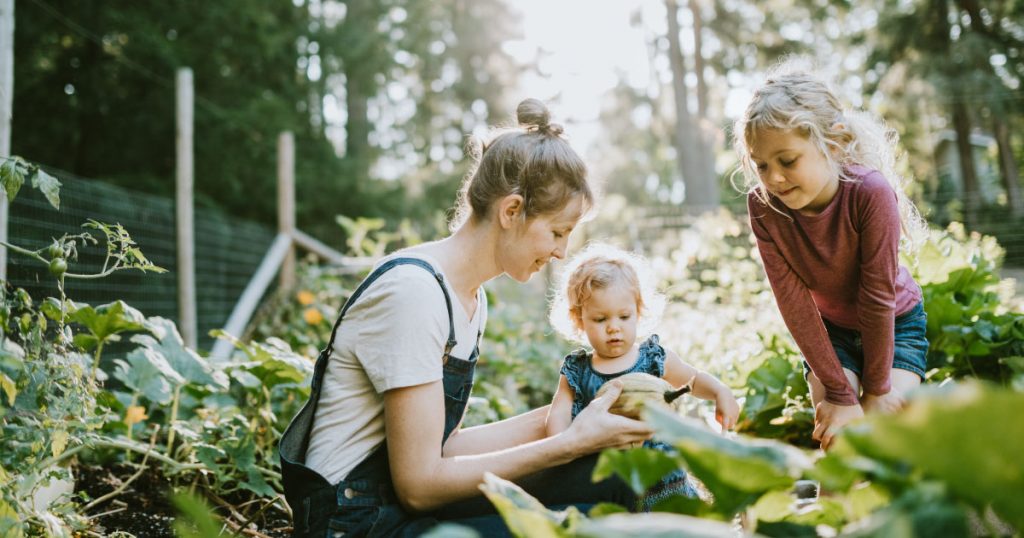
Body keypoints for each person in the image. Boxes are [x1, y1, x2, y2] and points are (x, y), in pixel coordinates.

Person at [278, 98, 655, 538]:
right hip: (357, 524)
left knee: (618, 479)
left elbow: (445, 447)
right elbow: (419, 485)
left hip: (397, 505)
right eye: (557, 231)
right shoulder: (414, 294)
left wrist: (578, 413)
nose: (561, 252)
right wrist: (567, 444)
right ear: (511, 211)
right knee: (585, 526)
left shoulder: (468, 297)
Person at [733, 59, 930, 451]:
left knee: (881, 437)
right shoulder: (765, 207)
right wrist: (840, 394)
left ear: (834, 144)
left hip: (896, 324)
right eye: (761, 166)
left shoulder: (869, 193)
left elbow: (877, 298)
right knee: (839, 440)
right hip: (830, 334)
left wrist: (875, 390)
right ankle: (832, 513)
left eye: (787, 161)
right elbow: (794, 305)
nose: (773, 178)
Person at [545, 243, 740, 509]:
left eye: (624, 316)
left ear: (638, 311)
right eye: (601, 320)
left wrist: (719, 391)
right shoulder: (577, 371)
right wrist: (562, 447)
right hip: (612, 483)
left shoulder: (653, 359)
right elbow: (557, 416)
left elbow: (692, 379)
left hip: (665, 481)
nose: (614, 328)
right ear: (580, 320)